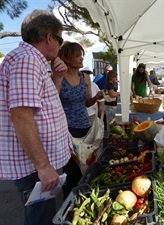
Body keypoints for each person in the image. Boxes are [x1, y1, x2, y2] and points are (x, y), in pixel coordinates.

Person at [0, 9, 72, 225]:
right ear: (49, 37)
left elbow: (45, 106)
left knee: (44, 214)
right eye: (60, 40)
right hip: (33, 166)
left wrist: (57, 78)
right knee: (40, 218)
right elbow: (21, 116)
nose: (60, 47)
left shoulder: (33, 60)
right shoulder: (27, 60)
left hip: (37, 163)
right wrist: (43, 166)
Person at [55, 41, 104, 197]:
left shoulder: (85, 77)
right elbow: (53, 102)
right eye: (78, 55)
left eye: (82, 55)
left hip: (85, 127)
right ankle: (69, 201)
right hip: (67, 131)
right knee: (71, 171)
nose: (82, 58)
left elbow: (86, 102)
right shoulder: (59, 78)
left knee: (87, 165)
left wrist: (96, 97)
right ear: (68, 58)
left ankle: (84, 197)